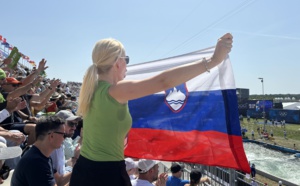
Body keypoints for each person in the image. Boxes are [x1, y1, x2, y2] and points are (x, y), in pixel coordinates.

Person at [70, 33, 233, 186]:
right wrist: (213, 60)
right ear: (117, 62)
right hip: (105, 174)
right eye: (126, 59)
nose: (127, 64)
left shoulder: (92, 89)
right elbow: (163, 82)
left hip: (85, 170)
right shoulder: (114, 91)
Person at [11, 116, 69, 186]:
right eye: (63, 135)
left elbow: (59, 181)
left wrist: (80, 166)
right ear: (52, 136)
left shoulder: (43, 156)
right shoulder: (36, 162)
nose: (64, 138)